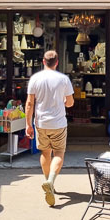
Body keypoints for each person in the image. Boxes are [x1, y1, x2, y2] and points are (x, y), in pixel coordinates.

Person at [25, 50, 74, 207]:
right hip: (59, 124)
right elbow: (70, 102)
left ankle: (48, 182)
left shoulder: (35, 79)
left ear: (44, 62)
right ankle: (51, 181)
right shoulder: (63, 79)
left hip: (41, 123)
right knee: (59, 153)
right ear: (57, 62)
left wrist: (28, 124)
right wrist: (64, 103)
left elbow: (30, 103)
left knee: (45, 153)